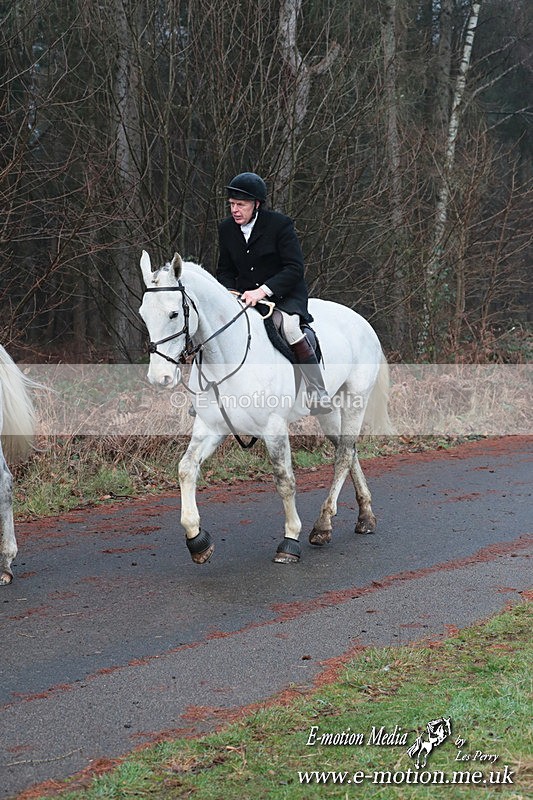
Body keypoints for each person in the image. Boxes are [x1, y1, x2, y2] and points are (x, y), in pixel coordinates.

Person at [216, 172, 332, 414]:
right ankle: (208, 394)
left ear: (256, 204)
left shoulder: (280, 225)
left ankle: (317, 391)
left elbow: (294, 268)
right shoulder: (226, 229)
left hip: (284, 295)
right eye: (232, 204)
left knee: (290, 327)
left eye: (241, 205)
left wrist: (262, 291)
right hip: (244, 298)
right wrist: (230, 292)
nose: (235, 210)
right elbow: (225, 270)